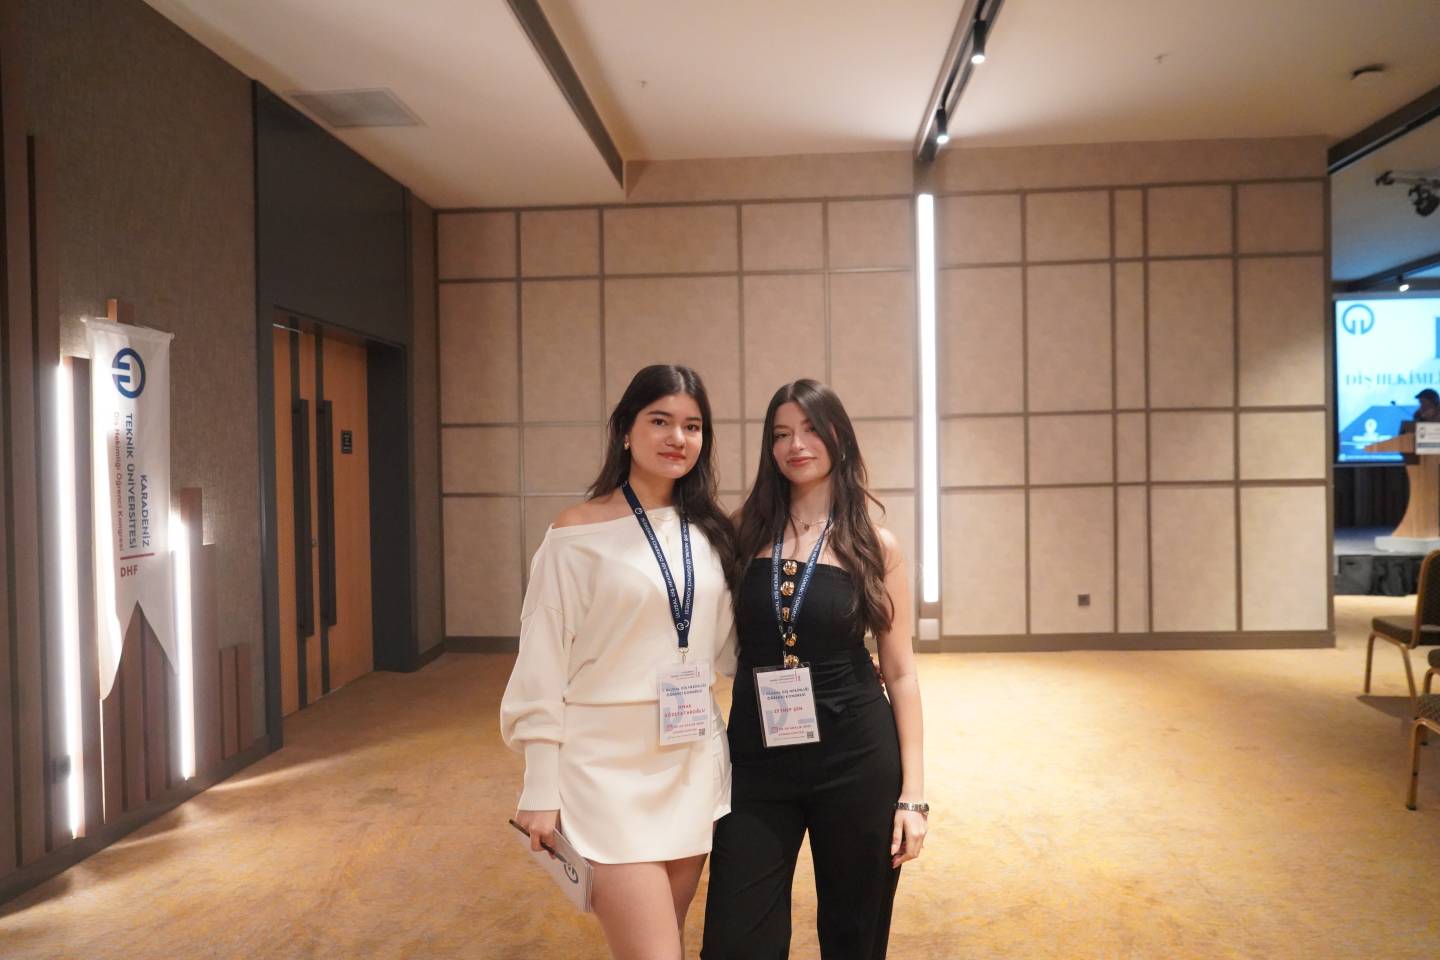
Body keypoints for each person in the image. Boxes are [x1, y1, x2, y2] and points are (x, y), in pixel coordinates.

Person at [500, 364, 737, 960]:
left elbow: (728, 647)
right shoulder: (574, 534)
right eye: (660, 421)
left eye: (692, 426)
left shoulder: (710, 533)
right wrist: (540, 784)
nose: (677, 438)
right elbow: (541, 664)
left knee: (666, 940)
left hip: (690, 761)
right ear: (626, 431)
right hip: (605, 771)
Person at [701, 379, 927, 960]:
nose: (795, 445)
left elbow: (900, 672)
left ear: (838, 437)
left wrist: (913, 797)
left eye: (809, 429)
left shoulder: (875, 545)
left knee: (854, 939)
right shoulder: (743, 531)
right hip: (757, 761)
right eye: (781, 434)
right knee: (735, 940)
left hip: (856, 758)